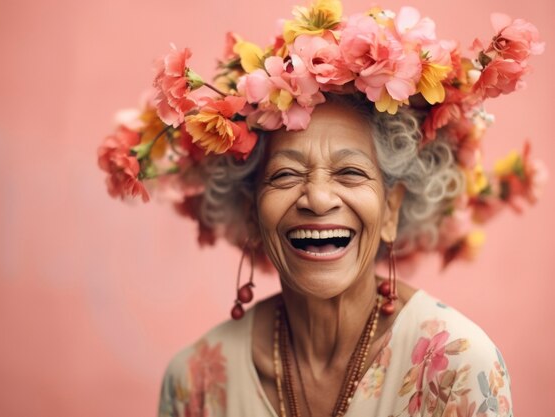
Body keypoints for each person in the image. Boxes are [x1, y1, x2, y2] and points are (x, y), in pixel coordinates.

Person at [97, 1, 544, 415]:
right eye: (285, 175)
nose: (318, 198)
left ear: (390, 210)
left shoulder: (459, 369)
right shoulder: (193, 383)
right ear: (251, 211)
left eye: (350, 173)